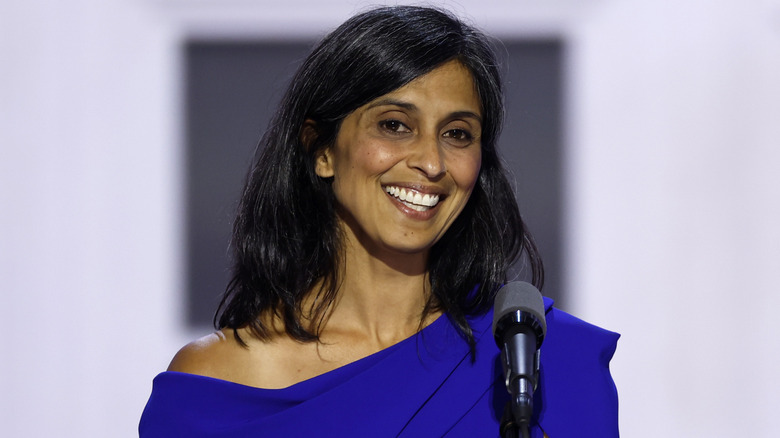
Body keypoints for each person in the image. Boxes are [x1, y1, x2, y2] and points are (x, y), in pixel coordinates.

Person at [139, 6, 619, 437]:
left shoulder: (550, 361)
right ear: (321, 149)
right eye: (394, 125)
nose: (431, 162)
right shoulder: (214, 387)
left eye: (457, 134)